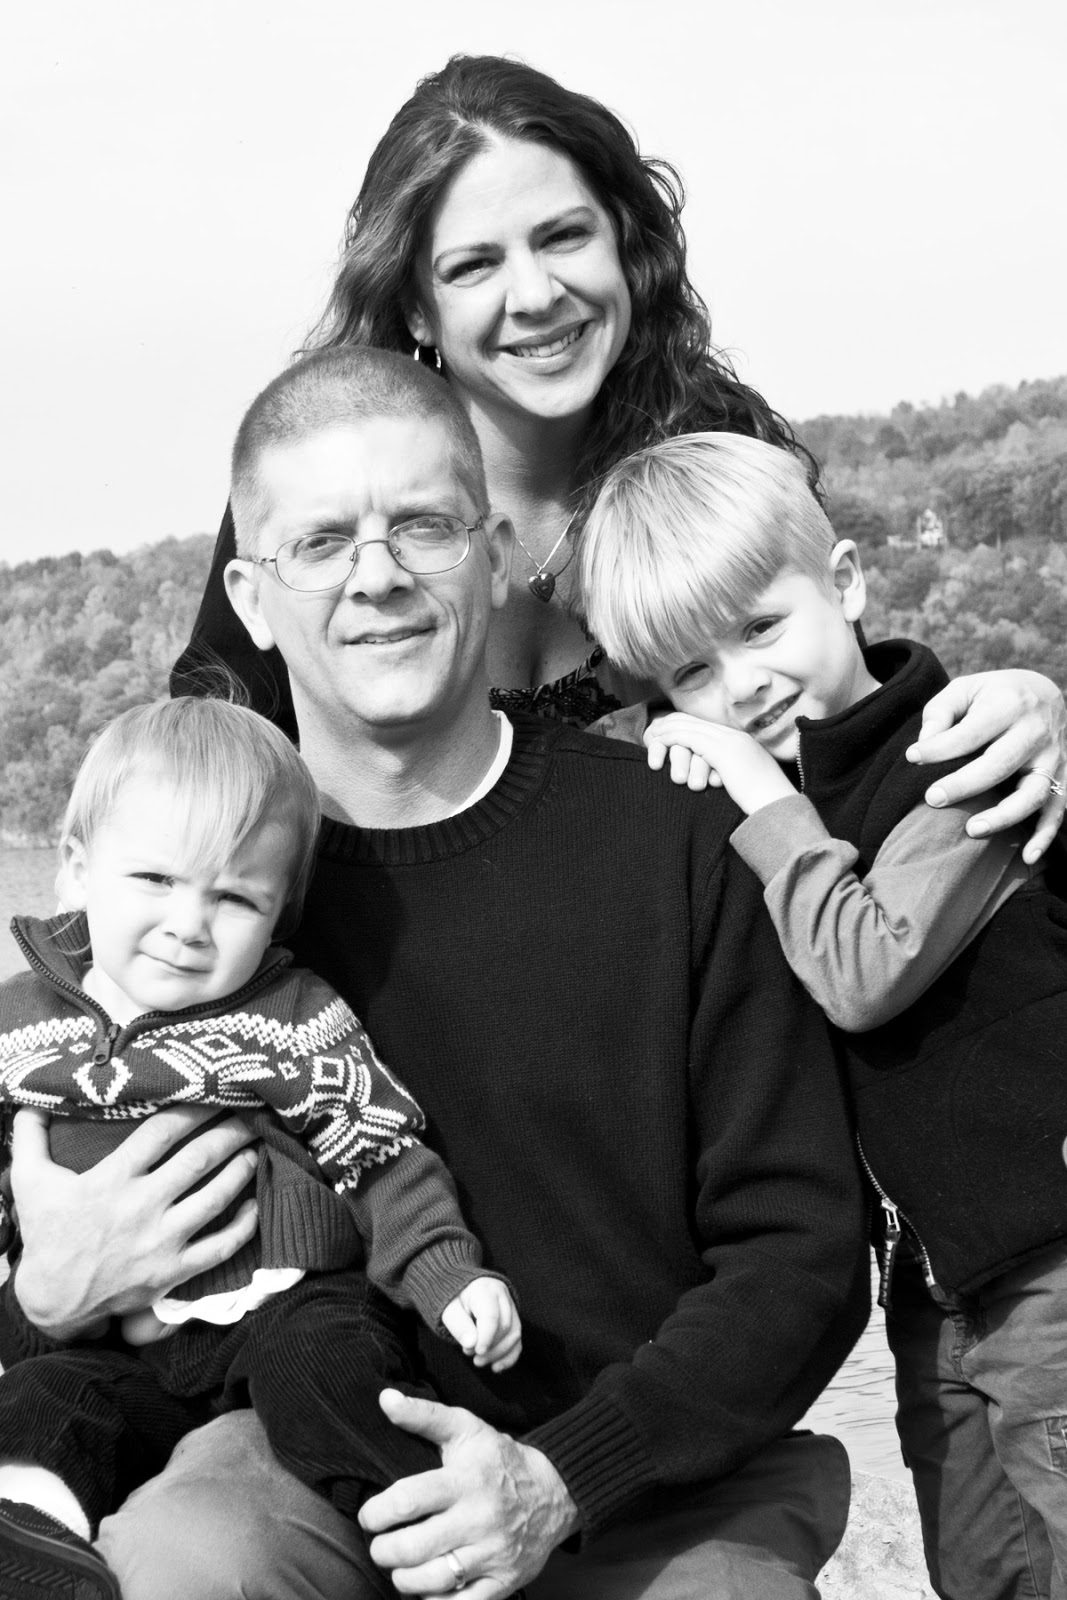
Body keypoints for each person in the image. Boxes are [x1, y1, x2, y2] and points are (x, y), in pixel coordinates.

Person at [5, 346, 870, 1600]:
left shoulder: (679, 834)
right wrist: (42, 1291)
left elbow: (801, 1250)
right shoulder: (193, 901)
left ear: (496, 552)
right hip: (314, 1462)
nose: (377, 576)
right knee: (187, 1558)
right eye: (321, 542)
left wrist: (561, 1476)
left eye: (422, 526)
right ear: (250, 596)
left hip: (644, 1479)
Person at [170, 53, 1067, 860]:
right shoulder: (322, 500)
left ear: (624, 245)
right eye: (474, 265)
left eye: (563, 236)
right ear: (415, 309)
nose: (535, 294)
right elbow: (200, 784)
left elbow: (845, 723)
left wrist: (1021, 704)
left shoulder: (715, 458)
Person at [578, 429, 1067, 1600]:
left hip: (1050, 1258)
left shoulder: (956, 756)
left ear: (842, 583)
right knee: (983, 1565)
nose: (739, 687)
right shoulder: (795, 803)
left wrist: (752, 789)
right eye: (691, 674)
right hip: (939, 1287)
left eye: (760, 628)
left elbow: (864, 964)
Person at [0, 696, 519, 1600]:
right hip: (122, 1350)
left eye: (234, 897)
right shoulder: (21, 1027)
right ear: (76, 871)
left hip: (286, 1305)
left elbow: (379, 1148)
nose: (188, 923)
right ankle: (32, 1551)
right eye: (155, 879)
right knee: (44, 1405)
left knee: (328, 1372)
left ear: (278, 917)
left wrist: (447, 1274)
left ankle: (436, 1548)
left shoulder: (287, 1017)